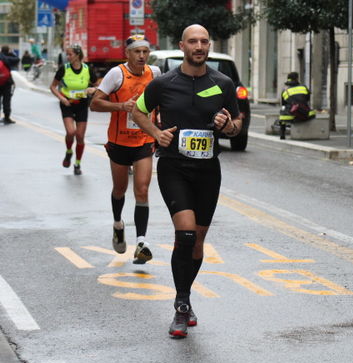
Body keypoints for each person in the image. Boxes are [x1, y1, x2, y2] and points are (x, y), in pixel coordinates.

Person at [132, 24, 241, 339]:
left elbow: (236, 125)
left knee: (198, 244)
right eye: (193, 41)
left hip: (208, 171)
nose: (199, 46)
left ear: (209, 45)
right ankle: (181, 306)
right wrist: (156, 133)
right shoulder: (164, 84)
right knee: (186, 234)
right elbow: (137, 113)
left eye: (204, 41)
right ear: (182, 46)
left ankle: (186, 296)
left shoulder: (222, 83)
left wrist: (227, 125)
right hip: (173, 168)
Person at [90, 35, 161, 264]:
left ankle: (141, 242)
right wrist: (121, 106)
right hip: (119, 143)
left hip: (143, 141)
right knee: (120, 189)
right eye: (137, 52)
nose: (141, 56)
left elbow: (162, 102)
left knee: (141, 189)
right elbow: (95, 103)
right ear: (127, 53)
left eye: (145, 52)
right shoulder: (116, 74)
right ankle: (118, 224)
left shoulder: (155, 74)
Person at [49, 45, 99, 175]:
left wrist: (92, 90)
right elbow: (53, 86)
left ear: (78, 55)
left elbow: (98, 85)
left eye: (70, 54)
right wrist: (61, 98)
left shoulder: (87, 69)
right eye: (67, 54)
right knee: (71, 132)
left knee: (80, 136)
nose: (68, 57)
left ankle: (77, 164)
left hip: (82, 104)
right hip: (67, 104)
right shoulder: (64, 69)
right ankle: (69, 151)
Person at [278, 71, 315, 140]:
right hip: (306, 114)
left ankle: (282, 134)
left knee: (282, 115)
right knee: (312, 112)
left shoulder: (285, 90)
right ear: (297, 79)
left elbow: (283, 104)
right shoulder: (303, 87)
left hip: (292, 116)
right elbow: (307, 99)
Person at [0, 46, 20, 124]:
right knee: (6, 99)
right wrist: (11, 53)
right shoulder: (8, 58)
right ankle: (6, 117)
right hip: (7, 82)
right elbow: (17, 59)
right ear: (8, 51)